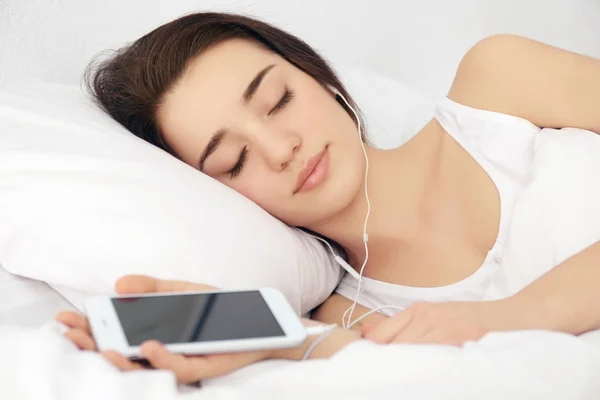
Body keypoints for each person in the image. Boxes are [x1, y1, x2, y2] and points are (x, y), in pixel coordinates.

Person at [56, 11, 600, 384]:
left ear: (319, 79)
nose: (280, 148)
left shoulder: (498, 85)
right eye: (233, 161)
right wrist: (246, 332)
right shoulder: (348, 315)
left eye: (278, 100)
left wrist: (510, 317)